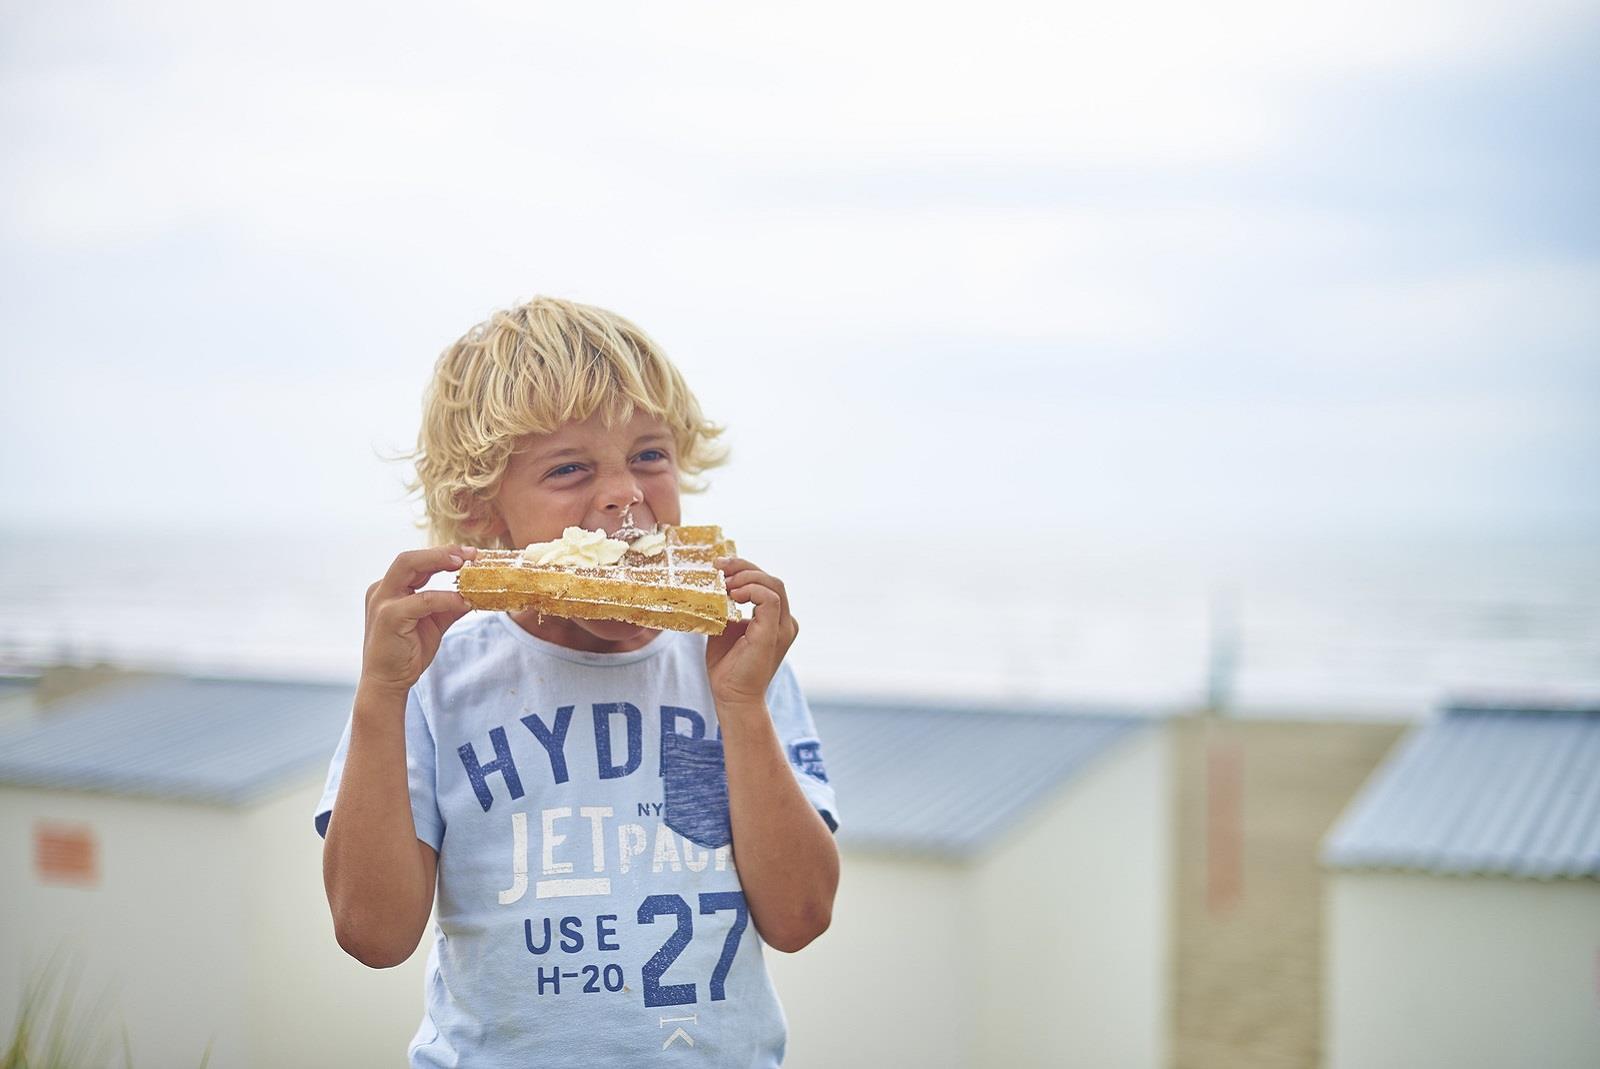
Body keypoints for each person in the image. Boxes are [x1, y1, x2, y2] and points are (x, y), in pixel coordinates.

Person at [313, 296, 841, 1066]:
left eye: (651, 455)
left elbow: (799, 916)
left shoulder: (735, 662)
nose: (625, 492)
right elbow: (373, 931)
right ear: (481, 510)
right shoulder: (437, 675)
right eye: (570, 468)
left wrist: (742, 706)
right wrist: (379, 696)